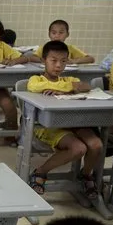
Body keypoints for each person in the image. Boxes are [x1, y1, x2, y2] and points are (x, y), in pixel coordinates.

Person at [26, 41, 102, 198]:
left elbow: (86, 86)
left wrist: (67, 88)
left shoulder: (68, 79)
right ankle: (40, 172)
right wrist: (70, 89)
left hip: (74, 122)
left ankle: (85, 175)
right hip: (48, 126)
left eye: (63, 61)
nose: (58, 65)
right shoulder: (37, 80)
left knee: (96, 145)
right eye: (53, 60)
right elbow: (34, 88)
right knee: (78, 149)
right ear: (43, 61)